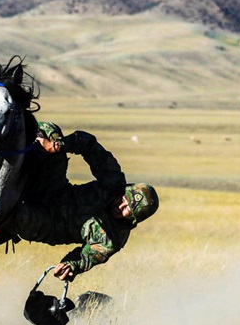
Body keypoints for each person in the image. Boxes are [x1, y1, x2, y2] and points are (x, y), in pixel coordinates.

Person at [13, 121, 159, 282]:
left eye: (127, 210)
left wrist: (70, 265)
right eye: (123, 200)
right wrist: (58, 145)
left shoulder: (114, 239)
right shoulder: (114, 181)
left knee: (17, 216)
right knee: (50, 131)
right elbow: (89, 145)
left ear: (133, 218)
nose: (120, 206)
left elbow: (85, 257)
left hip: (49, 224)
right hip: (54, 190)